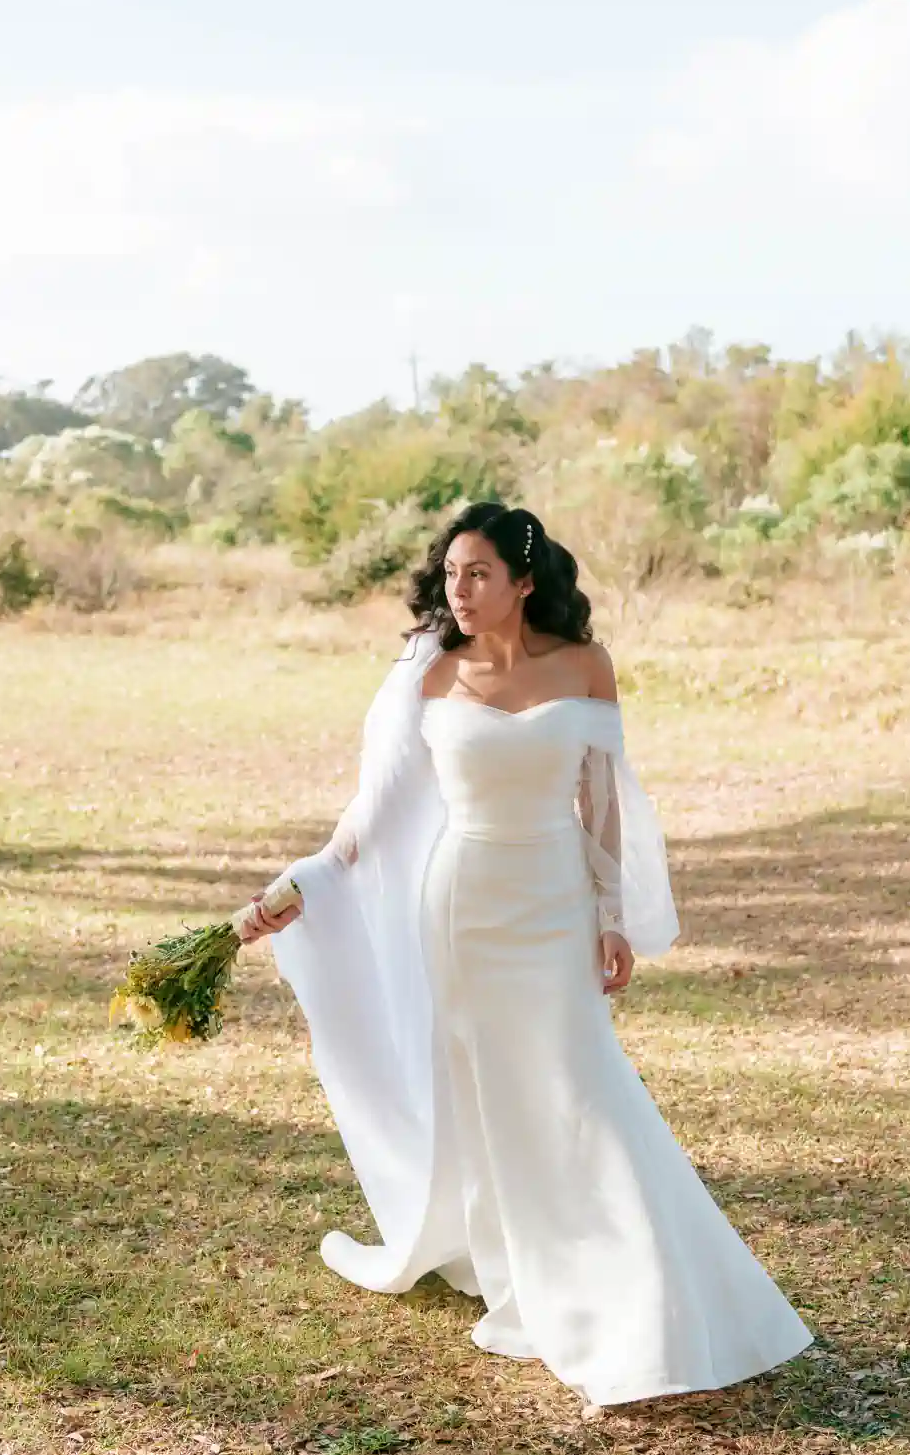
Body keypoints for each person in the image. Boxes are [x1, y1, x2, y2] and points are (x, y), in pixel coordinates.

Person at [237, 501, 811, 1406]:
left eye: (479, 575)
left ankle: (650, 1289)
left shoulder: (586, 667)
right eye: (452, 574)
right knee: (485, 1092)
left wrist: (612, 914)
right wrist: (292, 888)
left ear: (525, 582)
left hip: (552, 900)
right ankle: (524, 1272)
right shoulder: (429, 678)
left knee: (584, 1086)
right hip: (460, 903)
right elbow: (374, 812)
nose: (459, 592)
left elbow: (603, 797)